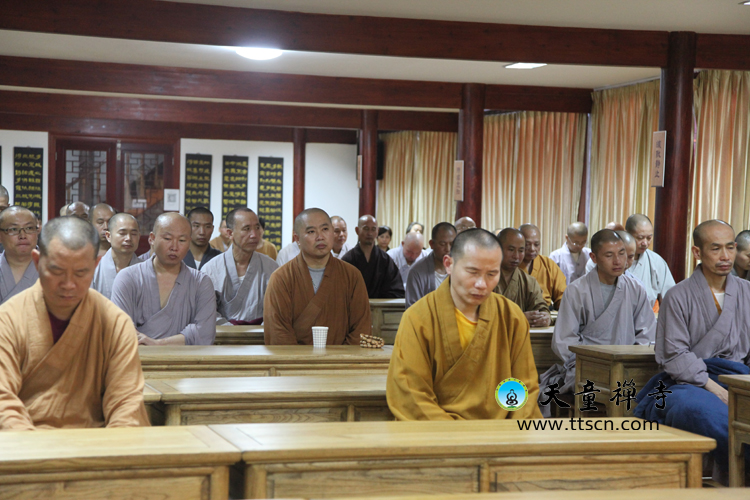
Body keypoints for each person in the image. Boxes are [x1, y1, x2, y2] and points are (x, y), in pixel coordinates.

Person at [0, 216, 149, 430]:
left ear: (95, 265)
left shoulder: (114, 322)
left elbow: (126, 404)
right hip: (25, 442)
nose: (69, 284)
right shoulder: (8, 320)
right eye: (57, 271)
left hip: (95, 443)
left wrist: (114, 444)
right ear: (37, 261)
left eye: (80, 272)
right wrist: (30, 444)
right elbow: (3, 401)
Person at [634, 220, 750, 484]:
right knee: (702, 412)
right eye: (716, 248)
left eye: (730, 247)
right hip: (690, 384)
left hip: (740, 380)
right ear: (697, 252)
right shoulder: (678, 295)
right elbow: (674, 354)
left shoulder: (747, 293)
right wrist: (714, 388)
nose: (725, 256)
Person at [387, 228, 541, 420]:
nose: (481, 284)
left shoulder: (511, 317)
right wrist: (455, 434)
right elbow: (411, 394)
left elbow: (523, 385)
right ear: (449, 264)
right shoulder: (418, 318)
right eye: (472, 272)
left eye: (491, 274)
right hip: (439, 432)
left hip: (500, 431)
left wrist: (509, 431)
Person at [540, 230, 655, 405]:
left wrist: (631, 363)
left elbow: (647, 334)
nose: (618, 261)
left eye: (621, 253)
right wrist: (592, 364)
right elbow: (564, 340)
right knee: (603, 387)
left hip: (627, 366)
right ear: (593, 257)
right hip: (586, 367)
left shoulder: (636, 289)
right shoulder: (576, 290)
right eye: (609, 255)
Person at [264, 208, 371, 345]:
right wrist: (300, 358)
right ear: (297, 239)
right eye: (311, 232)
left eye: (325, 229)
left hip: (343, 358)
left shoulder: (352, 276)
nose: (320, 237)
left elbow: (361, 329)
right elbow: (278, 332)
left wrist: (340, 357)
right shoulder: (281, 278)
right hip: (294, 358)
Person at [111, 213, 216, 346]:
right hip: (137, 356)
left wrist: (158, 344)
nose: (174, 247)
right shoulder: (128, 278)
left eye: (182, 240)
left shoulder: (201, 282)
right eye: (167, 238)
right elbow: (121, 330)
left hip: (186, 358)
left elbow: (205, 333)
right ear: (152, 239)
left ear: (189, 242)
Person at [202, 208, 278, 325]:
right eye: (246, 229)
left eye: (257, 228)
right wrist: (232, 331)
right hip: (222, 334)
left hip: (262, 333)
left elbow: (277, 309)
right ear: (230, 233)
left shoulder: (271, 267)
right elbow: (205, 312)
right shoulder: (211, 269)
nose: (254, 235)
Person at [494, 228, 550, 327]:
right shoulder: (485, 278)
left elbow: (540, 307)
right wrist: (518, 318)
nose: (516, 256)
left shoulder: (529, 281)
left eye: (521, 251)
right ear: (497, 249)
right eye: (511, 250)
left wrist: (544, 317)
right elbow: (478, 313)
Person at [342, 215, 404, 298]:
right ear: (357, 230)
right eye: (366, 229)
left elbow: (396, 289)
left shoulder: (385, 260)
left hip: (381, 305)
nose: (370, 233)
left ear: (377, 231)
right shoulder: (348, 259)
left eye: (373, 229)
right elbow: (340, 290)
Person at [625, 214, 675, 311]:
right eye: (640, 238)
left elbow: (669, 298)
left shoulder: (656, 261)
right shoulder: (614, 260)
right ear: (627, 234)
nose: (645, 243)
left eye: (649, 238)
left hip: (646, 317)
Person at [90, 213, 141, 299]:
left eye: (133, 234)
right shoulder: (93, 268)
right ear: (108, 236)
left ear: (139, 236)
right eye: (122, 233)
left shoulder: (147, 270)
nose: (128, 238)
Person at [405, 223, 456, 307]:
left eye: (452, 244)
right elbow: (412, 309)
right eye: (442, 244)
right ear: (432, 244)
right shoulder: (417, 272)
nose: (448, 249)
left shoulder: (461, 269)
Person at [518, 223, 566, 310]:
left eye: (536, 244)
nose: (532, 249)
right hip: (517, 312)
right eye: (527, 244)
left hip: (544, 311)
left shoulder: (548, 264)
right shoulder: (511, 265)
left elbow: (562, 296)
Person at [0, 206, 39, 305]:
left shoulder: (55, 267)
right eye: (13, 229)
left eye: (29, 228)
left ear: (37, 232)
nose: (22, 236)